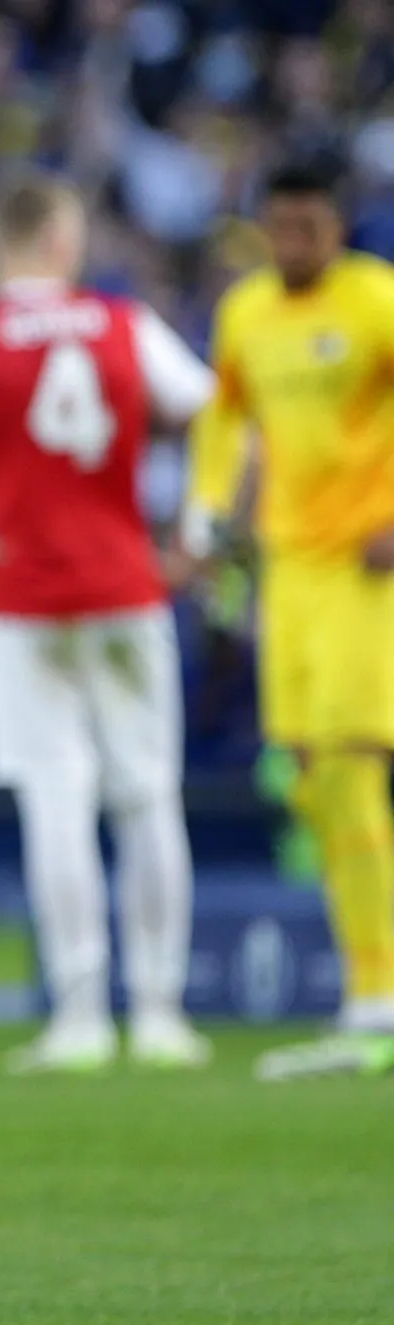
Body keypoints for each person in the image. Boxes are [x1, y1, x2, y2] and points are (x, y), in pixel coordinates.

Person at [0, 174, 213, 1074]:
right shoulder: (123, 323)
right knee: (146, 796)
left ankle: (80, 1018)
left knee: (55, 805)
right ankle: (163, 1013)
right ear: (62, 238)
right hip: (126, 584)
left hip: (20, 596)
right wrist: (197, 538)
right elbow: (220, 419)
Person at [184, 160, 394, 1081]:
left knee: (349, 767)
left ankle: (376, 997)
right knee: (308, 776)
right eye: (280, 228)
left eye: (308, 227)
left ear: (337, 223)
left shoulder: (375, 301)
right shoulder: (247, 315)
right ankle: (370, 984)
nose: (293, 245)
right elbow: (224, 422)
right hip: (288, 571)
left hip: (365, 566)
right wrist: (205, 509)